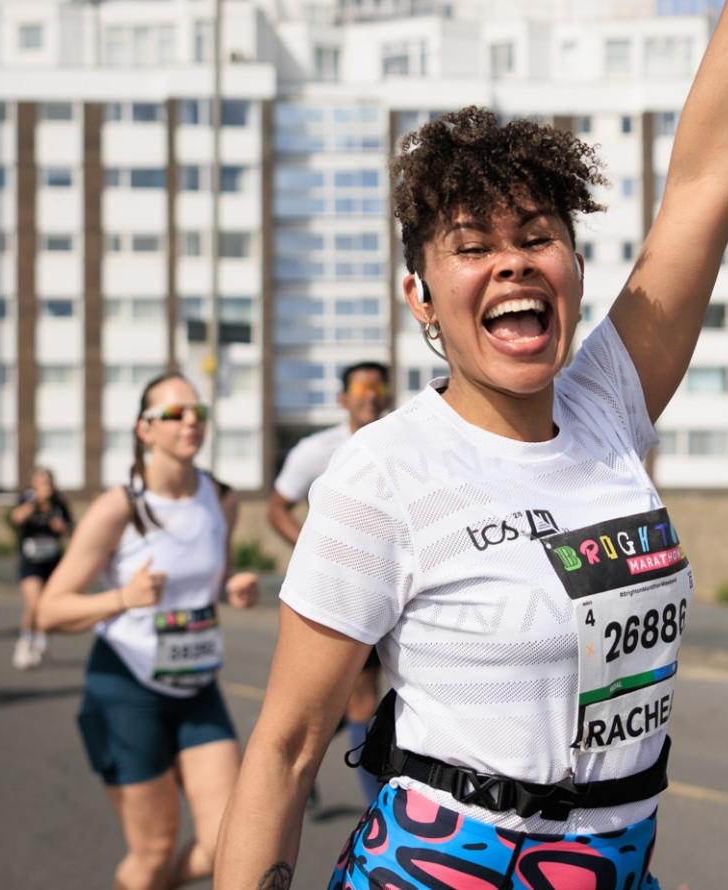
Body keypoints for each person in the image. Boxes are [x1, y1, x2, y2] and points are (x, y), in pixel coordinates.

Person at [215, 10, 728, 887]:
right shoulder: (384, 473)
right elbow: (289, 746)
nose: (514, 263)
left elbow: (706, 180)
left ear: (572, 265)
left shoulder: (609, 400)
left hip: (620, 863)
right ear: (420, 296)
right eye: (474, 247)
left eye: (537, 238)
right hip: (447, 865)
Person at [38, 370, 259, 889]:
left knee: (228, 843)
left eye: (197, 413)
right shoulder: (120, 508)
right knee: (153, 850)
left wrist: (233, 586)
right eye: (175, 414)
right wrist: (122, 599)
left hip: (198, 686)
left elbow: (213, 573)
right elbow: (48, 611)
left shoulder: (220, 499)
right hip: (125, 687)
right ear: (144, 429)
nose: (190, 422)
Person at [267, 361, 391, 805]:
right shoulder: (316, 450)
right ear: (342, 399)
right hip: (334, 595)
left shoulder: (404, 441)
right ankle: (371, 810)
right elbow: (277, 507)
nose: (371, 394)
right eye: (360, 387)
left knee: (358, 697)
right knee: (353, 698)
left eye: (378, 386)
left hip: (390, 592)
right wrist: (312, 547)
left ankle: (298, 754)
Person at [10, 467, 72, 669]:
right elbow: (16, 519)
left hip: (52, 561)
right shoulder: (27, 500)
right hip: (31, 561)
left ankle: (41, 643)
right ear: (34, 484)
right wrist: (35, 502)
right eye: (41, 483)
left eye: (48, 483)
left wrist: (60, 527)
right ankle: (25, 642)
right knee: (34, 603)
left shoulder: (59, 503)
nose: (45, 487)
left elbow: (71, 529)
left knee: (48, 606)